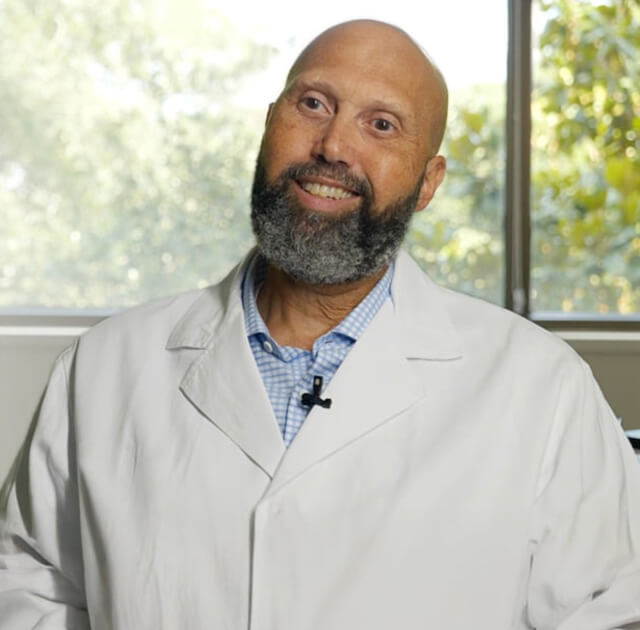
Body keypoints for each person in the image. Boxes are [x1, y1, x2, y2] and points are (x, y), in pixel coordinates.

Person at [1, 19, 639, 630]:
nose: (333, 146)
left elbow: (613, 609)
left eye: (381, 124)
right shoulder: (101, 369)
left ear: (428, 182)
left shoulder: (542, 387)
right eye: (312, 104)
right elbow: (30, 588)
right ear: (268, 124)